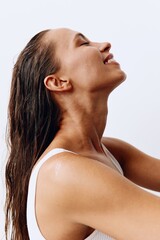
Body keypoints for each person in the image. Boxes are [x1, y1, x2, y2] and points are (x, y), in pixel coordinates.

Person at [5, 27, 160, 240]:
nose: (104, 44)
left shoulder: (109, 152)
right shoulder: (63, 173)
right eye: (84, 44)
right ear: (58, 82)